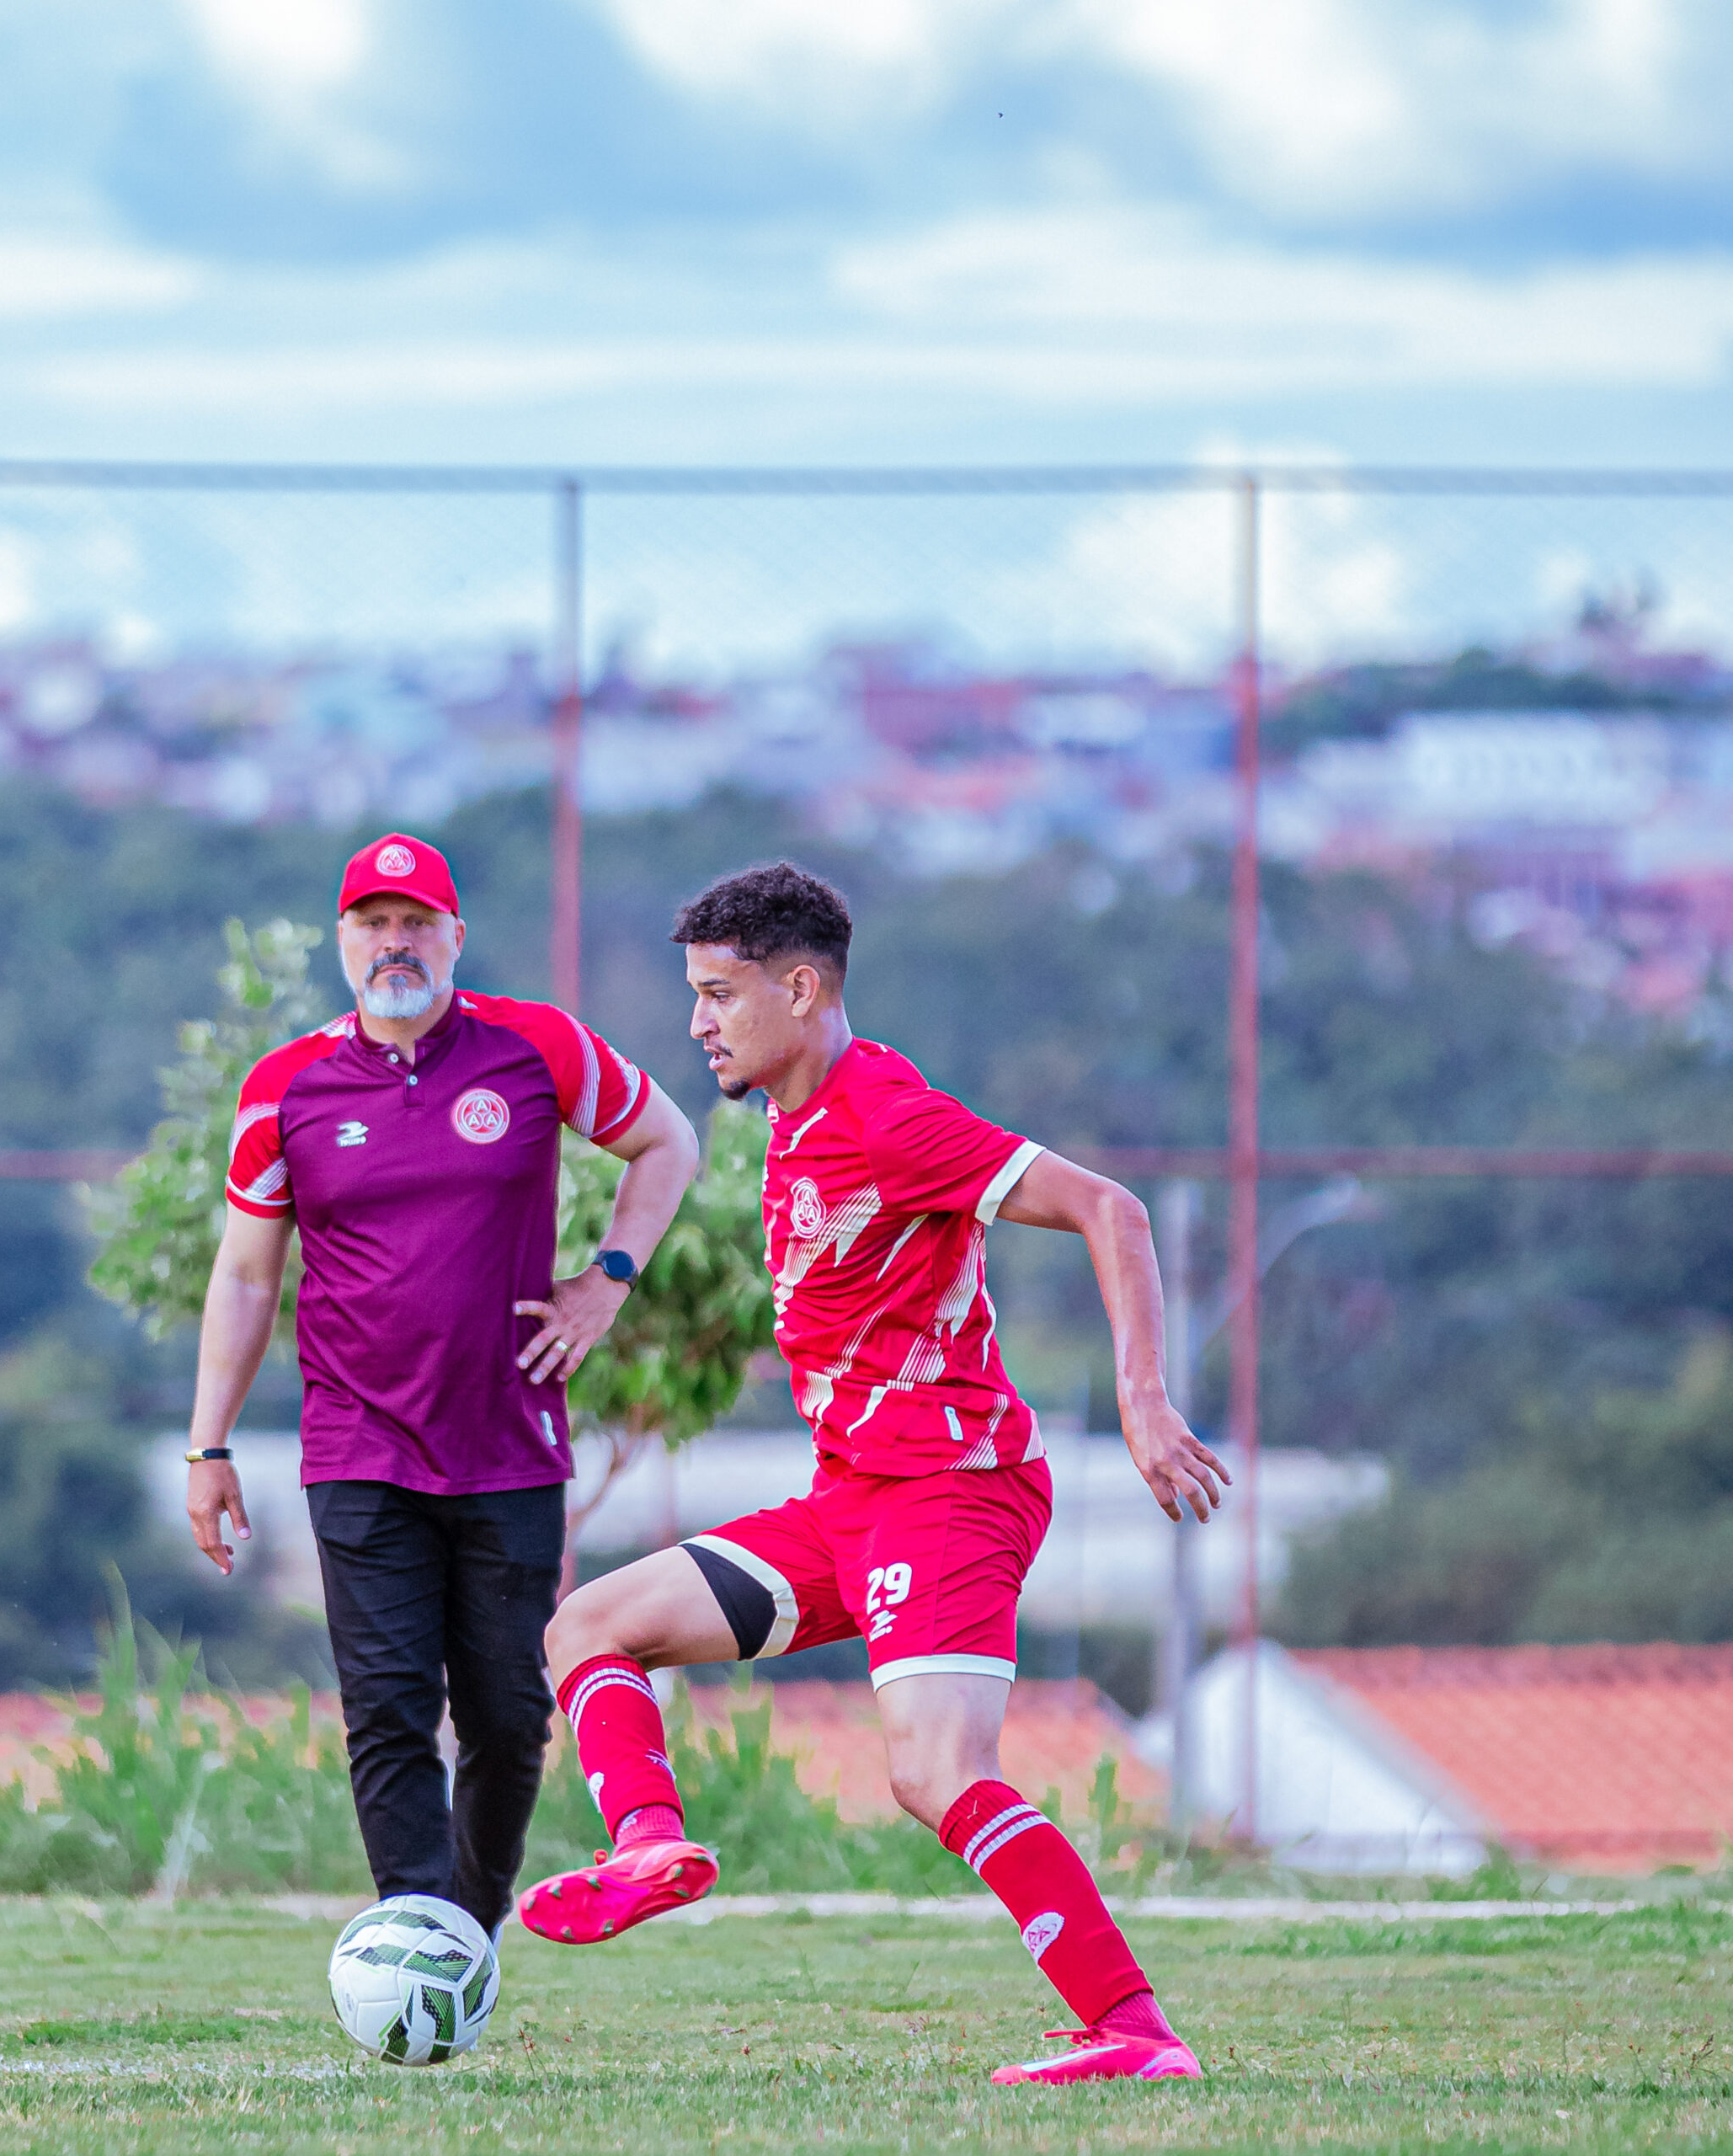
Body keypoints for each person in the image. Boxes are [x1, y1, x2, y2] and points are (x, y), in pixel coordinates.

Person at [518, 860, 1227, 2086]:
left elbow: (1112, 1209)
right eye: (696, 996)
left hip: (953, 1492)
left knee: (936, 1773)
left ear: (799, 991)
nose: (699, 1023)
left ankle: (1134, 2031)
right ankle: (647, 1848)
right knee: (589, 1627)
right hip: (852, 1498)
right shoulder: (794, 1122)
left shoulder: (888, 1115)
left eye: (719, 995)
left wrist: (1144, 1399)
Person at [184, 832, 699, 1945]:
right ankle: (419, 1939)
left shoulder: (537, 1047)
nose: (395, 942)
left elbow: (669, 1141)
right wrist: (208, 1445)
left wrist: (607, 1280)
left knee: (510, 1720)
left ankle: (471, 1927)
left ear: (455, 936)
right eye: (372, 924)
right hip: (357, 1449)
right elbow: (246, 1275)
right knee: (388, 1711)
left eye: (416, 923)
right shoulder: (284, 1088)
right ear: (343, 943)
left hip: (511, 1445)